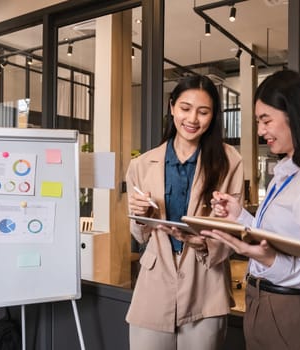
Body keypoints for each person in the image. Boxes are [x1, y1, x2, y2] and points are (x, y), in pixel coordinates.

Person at [201, 69, 300, 350]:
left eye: (266, 120)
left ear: (296, 116)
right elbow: (279, 236)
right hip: (261, 304)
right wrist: (240, 216)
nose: (261, 131)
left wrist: (270, 260)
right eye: (257, 121)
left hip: (291, 314)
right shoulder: (288, 171)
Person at [125, 75, 244, 350]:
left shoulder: (230, 162)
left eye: (203, 112)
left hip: (206, 283)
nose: (193, 119)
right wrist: (139, 216)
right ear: (172, 107)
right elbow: (139, 235)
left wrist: (202, 242)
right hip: (154, 284)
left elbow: (233, 230)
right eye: (185, 108)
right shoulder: (141, 165)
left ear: (213, 116)